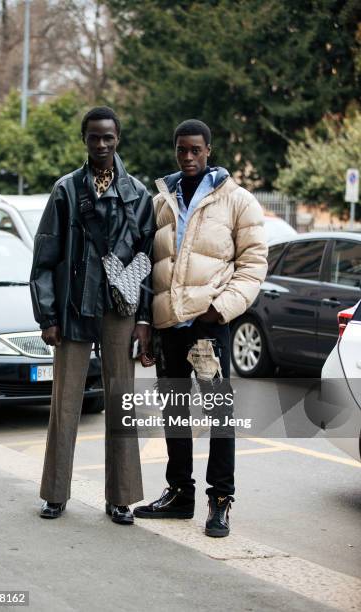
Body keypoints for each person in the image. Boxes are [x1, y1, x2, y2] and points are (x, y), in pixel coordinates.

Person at [134, 119, 268, 537]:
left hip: (209, 328)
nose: (188, 157)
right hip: (169, 327)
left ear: (209, 150)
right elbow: (145, 264)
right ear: (175, 150)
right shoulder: (161, 200)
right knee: (174, 412)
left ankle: (220, 501)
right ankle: (179, 494)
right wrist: (145, 322)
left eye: (196, 150)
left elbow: (253, 264)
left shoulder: (237, 200)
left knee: (218, 416)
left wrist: (219, 308)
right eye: (181, 150)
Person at [30, 106, 155, 525]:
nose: (101, 144)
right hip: (72, 308)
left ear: (118, 138)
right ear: (83, 139)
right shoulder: (65, 191)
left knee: (121, 401)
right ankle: (55, 494)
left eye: (108, 137)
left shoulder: (138, 194)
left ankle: (121, 498)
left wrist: (142, 318)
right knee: (64, 402)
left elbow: (147, 258)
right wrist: (47, 316)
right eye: (94, 137)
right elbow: (45, 258)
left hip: (118, 309)